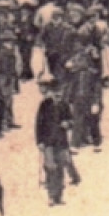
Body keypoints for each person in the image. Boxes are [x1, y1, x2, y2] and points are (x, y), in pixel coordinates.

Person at [34, 75, 72, 207]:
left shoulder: (64, 105)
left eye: (60, 92)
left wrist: (68, 123)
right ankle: (51, 195)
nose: (58, 95)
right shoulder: (45, 105)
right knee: (51, 168)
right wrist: (39, 141)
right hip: (48, 142)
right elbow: (39, 124)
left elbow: (71, 120)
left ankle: (59, 196)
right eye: (56, 92)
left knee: (61, 167)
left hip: (61, 142)